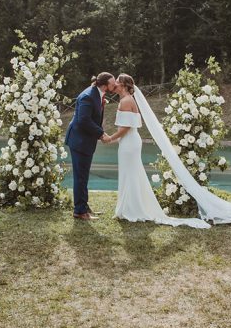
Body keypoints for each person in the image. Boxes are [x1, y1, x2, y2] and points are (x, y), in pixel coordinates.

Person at [109, 74, 208, 228]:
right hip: (130, 141)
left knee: (130, 174)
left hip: (129, 142)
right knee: (132, 173)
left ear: (122, 84)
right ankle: (130, 206)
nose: (114, 83)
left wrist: (110, 138)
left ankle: (132, 209)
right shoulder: (127, 100)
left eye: (116, 81)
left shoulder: (126, 101)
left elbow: (126, 127)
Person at [65, 72, 115, 220]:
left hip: (84, 141)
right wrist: (101, 134)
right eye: (113, 83)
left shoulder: (97, 93)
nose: (115, 85)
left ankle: (84, 206)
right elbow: (84, 120)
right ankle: (79, 211)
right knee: (80, 177)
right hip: (79, 141)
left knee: (83, 176)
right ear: (105, 85)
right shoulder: (88, 95)